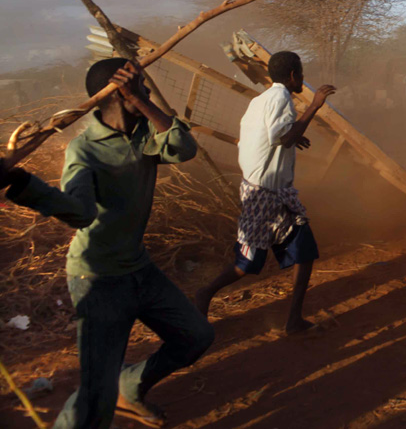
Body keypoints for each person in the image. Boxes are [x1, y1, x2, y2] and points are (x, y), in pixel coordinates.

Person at [0, 58, 212, 429]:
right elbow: (80, 213)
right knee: (95, 397)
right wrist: (20, 182)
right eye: (141, 88)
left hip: (138, 268)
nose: (147, 93)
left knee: (196, 336)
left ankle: (127, 387)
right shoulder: (85, 150)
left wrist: (140, 101)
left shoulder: (144, 137)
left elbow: (183, 147)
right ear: (118, 95)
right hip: (97, 278)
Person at [196, 52, 335, 334]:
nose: (303, 80)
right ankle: (205, 293)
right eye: (301, 74)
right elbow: (281, 137)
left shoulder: (259, 101)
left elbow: (265, 137)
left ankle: (294, 321)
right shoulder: (282, 99)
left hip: (271, 190)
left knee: (304, 251)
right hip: (263, 193)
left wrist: (296, 135)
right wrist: (314, 107)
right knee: (247, 263)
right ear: (294, 75)